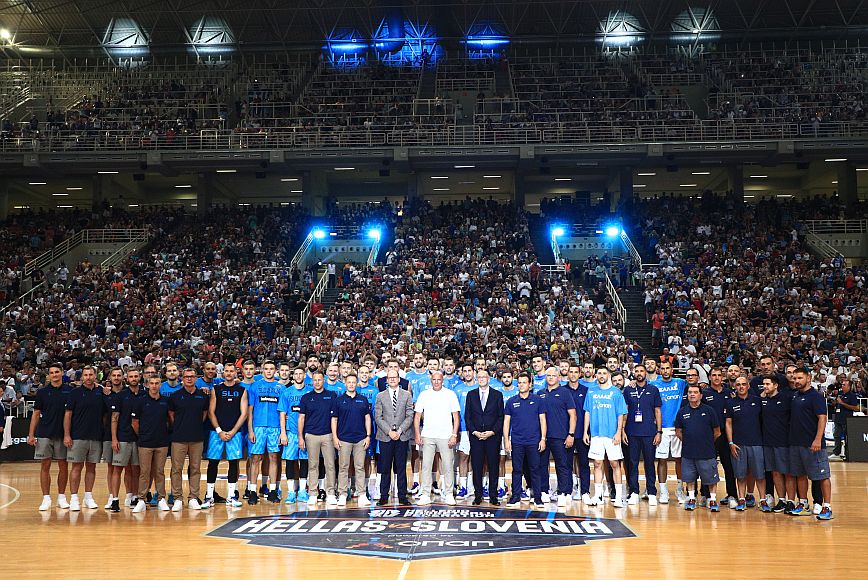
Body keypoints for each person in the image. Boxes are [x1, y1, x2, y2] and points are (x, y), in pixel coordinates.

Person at [787, 368, 833, 520]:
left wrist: (818, 439)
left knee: (822, 476)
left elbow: (822, 418)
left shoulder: (816, 397)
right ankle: (803, 503)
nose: (797, 381)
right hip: (796, 444)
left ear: (808, 378)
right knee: (800, 474)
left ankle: (827, 507)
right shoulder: (795, 396)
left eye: (800, 378)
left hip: (813, 444)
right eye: (795, 378)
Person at [28, 363, 71, 511]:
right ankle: (46, 498)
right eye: (52, 372)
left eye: (57, 372)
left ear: (62, 373)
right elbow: (35, 414)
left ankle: (61, 497)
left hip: (62, 434)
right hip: (44, 433)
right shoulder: (42, 392)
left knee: (63, 466)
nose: (54, 375)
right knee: (45, 465)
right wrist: (31, 434)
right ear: (49, 375)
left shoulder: (70, 391)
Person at [413, 370, 459, 506]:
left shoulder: (450, 394)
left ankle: (449, 493)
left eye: (439, 380)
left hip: (446, 436)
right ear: (431, 380)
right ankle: (426, 494)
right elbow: (417, 417)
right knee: (426, 465)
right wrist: (417, 434)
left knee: (447, 466)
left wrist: (454, 434)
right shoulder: (424, 395)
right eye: (434, 380)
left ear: (442, 380)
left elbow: (456, 416)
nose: (437, 382)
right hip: (427, 435)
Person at [204, 365, 248, 508]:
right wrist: (219, 430)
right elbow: (211, 412)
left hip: (235, 432)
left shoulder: (242, 390)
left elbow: (244, 413)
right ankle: (209, 496)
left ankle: (231, 496)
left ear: (236, 373)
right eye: (227, 371)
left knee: (234, 462)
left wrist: (234, 430)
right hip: (216, 432)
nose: (229, 373)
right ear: (223, 373)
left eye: (232, 371)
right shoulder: (216, 389)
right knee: (213, 462)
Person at [583, 368, 628, 507]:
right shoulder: (591, 391)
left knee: (615, 464)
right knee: (597, 463)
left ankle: (619, 497)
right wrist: (586, 431)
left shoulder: (616, 392)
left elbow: (621, 414)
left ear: (608, 375)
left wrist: (619, 432)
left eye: (604, 373)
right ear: (596, 376)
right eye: (599, 374)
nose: (601, 376)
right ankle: (598, 496)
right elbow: (587, 412)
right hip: (596, 434)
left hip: (611, 434)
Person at [63, 366, 104, 512]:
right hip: (77, 436)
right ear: (82, 377)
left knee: (91, 467)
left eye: (91, 374)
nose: (88, 377)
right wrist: (67, 435)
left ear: (95, 376)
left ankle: (88, 497)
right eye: (85, 375)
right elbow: (67, 415)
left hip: (96, 436)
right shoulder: (74, 393)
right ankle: (74, 498)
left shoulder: (101, 392)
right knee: (76, 467)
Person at [674, 384, 721, 512]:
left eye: (695, 392)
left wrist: (706, 442)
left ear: (701, 395)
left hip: (707, 452)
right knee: (689, 478)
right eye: (690, 392)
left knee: (711, 479)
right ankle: (691, 499)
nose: (692, 394)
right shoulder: (682, 411)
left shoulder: (709, 410)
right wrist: (690, 441)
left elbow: (717, 432)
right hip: (688, 452)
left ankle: (712, 500)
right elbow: (678, 431)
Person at [168, 368, 209, 511]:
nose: (189, 379)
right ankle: (178, 498)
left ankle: (193, 497)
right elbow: (171, 415)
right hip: (179, 438)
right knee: (176, 469)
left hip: (197, 437)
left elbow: (204, 414)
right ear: (182, 379)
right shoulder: (175, 396)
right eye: (187, 377)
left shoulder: (202, 395)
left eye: (192, 377)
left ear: (196, 378)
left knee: (195, 469)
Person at [503, 373, 546, 510]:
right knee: (517, 470)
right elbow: (506, 422)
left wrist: (543, 438)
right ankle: (515, 496)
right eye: (519, 382)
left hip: (534, 441)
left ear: (530, 384)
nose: (521, 385)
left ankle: (537, 497)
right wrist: (506, 440)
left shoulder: (538, 400)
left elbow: (543, 420)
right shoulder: (511, 401)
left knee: (535, 469)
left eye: (524, 382)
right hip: (517, 441)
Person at [537, 367, 577, 507]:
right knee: (542, 465)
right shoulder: (539, 393)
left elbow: (573, 415)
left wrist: (571, 434)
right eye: (548, 375)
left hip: (560, 436)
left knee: (562, 465)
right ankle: (544, 491)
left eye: (554, 375)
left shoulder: (565, 393)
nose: (551, 378)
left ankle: (563, 492)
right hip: (543, 437)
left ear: (558, 377)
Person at [623, 363, 662, 505]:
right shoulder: (628, 390)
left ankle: (651, 492)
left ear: (646, 373)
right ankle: (634, 492)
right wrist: (622, 430)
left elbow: (657, 411)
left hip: (649, 432)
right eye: (637, 371)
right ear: (633, 373)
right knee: (632, 463)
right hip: (632, 432)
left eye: (641, 371)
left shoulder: (653, 390)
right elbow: (625, 411)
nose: (639, 373)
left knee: (649, 463)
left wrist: (659, 431)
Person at [374, 368, 414, 506]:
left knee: (401, 467)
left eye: (394, 377)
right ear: (386, 380)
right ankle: (383, 496)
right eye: (389, 378)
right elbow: (378, 417)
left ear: (398, 379)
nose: (392, 379)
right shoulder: (380, 396)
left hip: (402, 436)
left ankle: (402, 495)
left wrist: (400, 430)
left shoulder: (407, 395)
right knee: (385, 467)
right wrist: (389, 431)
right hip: (385, 437)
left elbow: (410, 415)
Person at [725, 376, 765, 512]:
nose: (741, 387)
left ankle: (763, 500)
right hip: (738, 444)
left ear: (748, 386)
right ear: (735, 387)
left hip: (756, 443)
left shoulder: (757, 401)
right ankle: (741, 499)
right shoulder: (730, 403)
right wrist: (730, 442)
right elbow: (728, 423)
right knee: (740, 475)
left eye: (743, 384)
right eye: (738, 385)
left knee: (759, 474)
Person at [131, 376, 171, 512]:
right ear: (147, 385)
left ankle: (161, 499)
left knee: (159, 472)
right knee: (145, 472)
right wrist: (142, 435)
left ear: (160, 385)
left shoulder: (165, 401)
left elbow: (170, 420)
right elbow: (135, 423)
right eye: (152, 383)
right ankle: (141, 499)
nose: (154, 386)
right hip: (145, 443)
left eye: (157, 383)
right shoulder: (141, 401)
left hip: (162, 442)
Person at [331, 373, 372, 507]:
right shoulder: (338, 400)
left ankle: (361, 494)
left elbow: (367, 418)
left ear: (357, 383)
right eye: (349, 382)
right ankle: (342, 494)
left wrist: (368, 435)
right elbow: (334, 420)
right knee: (343, 467)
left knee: (359, 467)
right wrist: (335, 437)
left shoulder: (363, 399)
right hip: (344, 439)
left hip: (360, 439)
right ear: (345, 383)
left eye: (354, 382)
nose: (351, 384)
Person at [298, 370, 338, 506]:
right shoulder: (306, 397)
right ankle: (313, 494)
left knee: (330, 465)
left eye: (319, 380)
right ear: (312, 381)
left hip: (328, 435)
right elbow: (301, 418)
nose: (317, 382)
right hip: (311, 436)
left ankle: (331, 493)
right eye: (315, 380)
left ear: (324, 380)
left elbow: (335, 418)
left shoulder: (332, 396)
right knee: (313, 465)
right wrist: (301, 437)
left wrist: (335, 436)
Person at [107, 368, 144, 512]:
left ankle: (134, 496)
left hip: (139, 439)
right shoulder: (120, 396)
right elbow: (114, 418)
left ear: (139, 377)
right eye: (131, 377)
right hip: (123, 438)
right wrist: (114, 438)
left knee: (136, 469)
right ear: (126, 379)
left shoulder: (144, 394)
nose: (133, 378)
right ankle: (115, 499)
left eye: (136, 376)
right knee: (118, 469)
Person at [465, 369, 505, 506]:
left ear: (489, 379)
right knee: (477, 466)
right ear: (477, 379)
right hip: (476, 437)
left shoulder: (497, 395)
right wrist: (474, 431)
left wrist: (492, 432)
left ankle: (493, 496)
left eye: (484, 377)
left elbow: (501, 417)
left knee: (493, 466)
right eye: (479, 377)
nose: (482, 379)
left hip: (493, 437)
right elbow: (468, 417)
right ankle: (478, 495)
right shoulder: (471, 395)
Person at [246, 360, 283, 504]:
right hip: (258, 427)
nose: (269, 371)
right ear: (262, 370)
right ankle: (253, 491)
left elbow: (283, 412)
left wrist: (282, 431)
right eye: (266, 369)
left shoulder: (281, 387)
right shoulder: (255, 386)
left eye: (271, 369)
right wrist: (250, 430)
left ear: (275, 370)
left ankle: (273, 491)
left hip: (275, 428)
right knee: (255, 458)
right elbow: (250, 410)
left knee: (274, 458)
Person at [699, 367, 738, 504]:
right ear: (709, 377)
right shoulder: (704, 393)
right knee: (707, 465)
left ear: (723, 377)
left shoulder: (730, 393)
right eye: (713, 375)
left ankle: (732, 495)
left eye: (719, 375)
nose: (716, 377)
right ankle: (705, 494)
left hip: (726, 434)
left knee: (729, 466)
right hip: (710, 435)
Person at [652, 360, 687, 504]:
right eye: (663, 368)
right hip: (662, 428)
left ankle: (679, 489)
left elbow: (694, 382)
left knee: (679, 459)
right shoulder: (654, 385)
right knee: (662, 460)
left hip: (678, 427)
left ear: (672, 370)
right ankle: (663, 490)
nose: (665, 370)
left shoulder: (680, 382)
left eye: (668, 368)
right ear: (659, 370)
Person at [278, 366, 312, 504]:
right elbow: (282, 414)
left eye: (300, 373)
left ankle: (303, 491)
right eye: (296, 374)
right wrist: (283, 433)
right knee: (290, 462)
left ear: (304, 375)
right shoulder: (287, 392)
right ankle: (291, 492)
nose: (298, 376)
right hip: (291, 433)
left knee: (304, 462)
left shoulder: (309, 392)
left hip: (306, 433)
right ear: (293, 376)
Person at [760, 375, 791, 513]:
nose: (765, 387)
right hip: (768, 442)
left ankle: (791, 501)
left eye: (768, 384)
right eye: (764, 384)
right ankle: (782, 500)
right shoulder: (763, 401)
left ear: (776, 385)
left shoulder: (785, 399)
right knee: (775, 473)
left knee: (787, 473)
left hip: (783, 442)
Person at [565, 363, 592, 505]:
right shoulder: (563, 390)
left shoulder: (587, 390)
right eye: (571, 371)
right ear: (567, 374)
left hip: (583, 434)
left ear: (580, 373)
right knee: (566, 464)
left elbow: (588, 412)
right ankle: (567, 491)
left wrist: (586, 432)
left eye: (576, 372)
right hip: (567, 434)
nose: (573, 374)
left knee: (584, 464)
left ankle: (585, 491)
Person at [453, 364, 477, 500]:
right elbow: (454, 411)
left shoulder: (479, 387)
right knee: (463, 457)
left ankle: (472, 486)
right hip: (462, 427)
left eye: (469, 371)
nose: (467, 373)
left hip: (478, 428)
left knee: (476, 458)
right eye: (465, 371)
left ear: (473, 372)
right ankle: (462, 487)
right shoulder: (457, 389)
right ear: (462, 373)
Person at [830, 376, 859, 459]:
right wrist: (835, 403)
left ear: (849, 386)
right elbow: (838, 405)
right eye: (842, 385)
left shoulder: (852, 396)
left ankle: (848, 453)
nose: (842, 386)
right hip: (838, 418)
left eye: (844, 385)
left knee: (847, 437)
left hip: (847, 419)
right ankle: (836, 453)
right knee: (837, 436)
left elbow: (855, 408)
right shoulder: (841, 395)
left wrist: (842, 403)